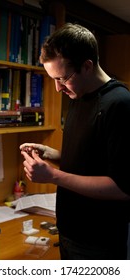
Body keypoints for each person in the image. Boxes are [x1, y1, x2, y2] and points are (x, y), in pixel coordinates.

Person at [20, 23, 130, 260]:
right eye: (53, 79)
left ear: (87, 66)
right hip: (69, 232)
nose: (58, 88)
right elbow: (93, 162)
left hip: (99, 242)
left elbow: (122, 187)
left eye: (63, 78)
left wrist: (52, 176)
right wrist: (52, 154)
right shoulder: (78, 95)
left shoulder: (119, 104)